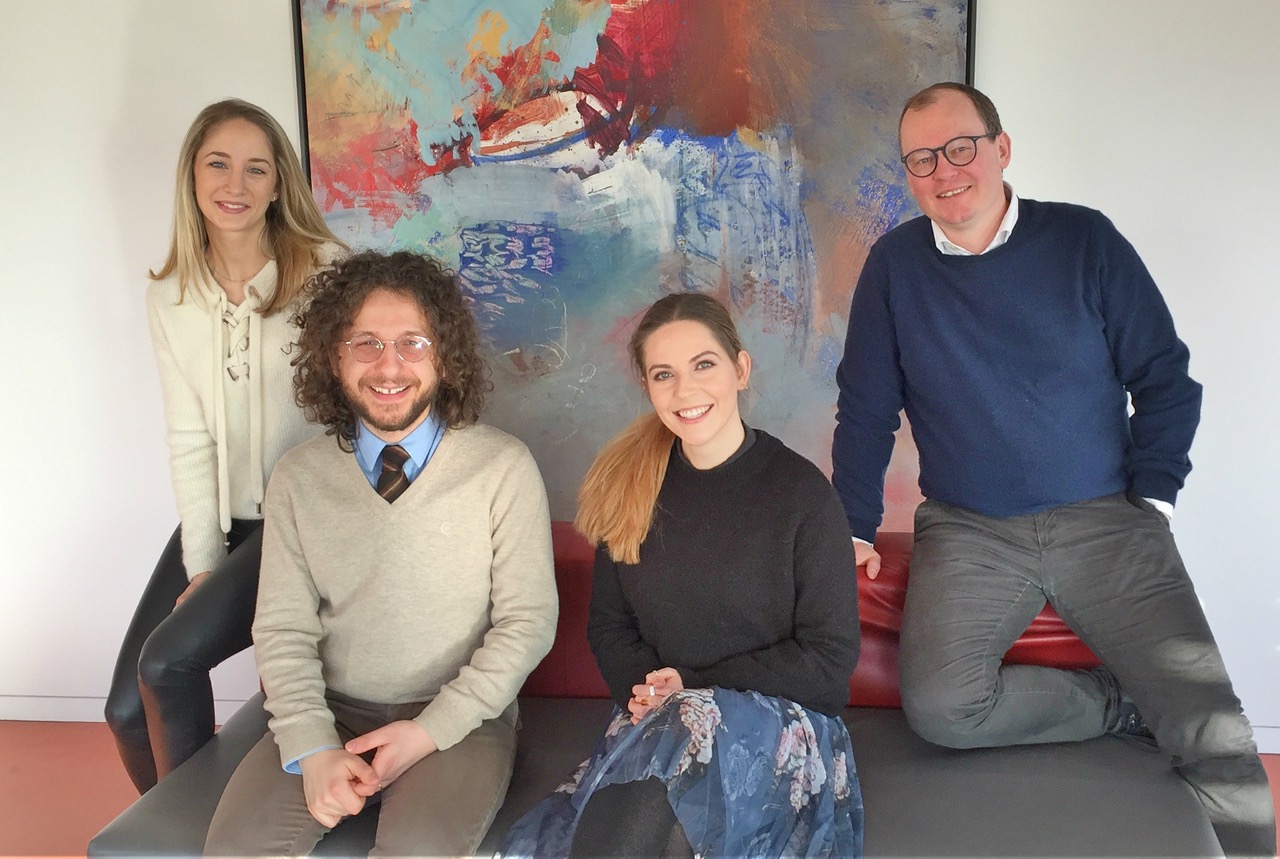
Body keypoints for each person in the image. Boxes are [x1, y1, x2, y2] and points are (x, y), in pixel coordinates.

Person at [832, 81, 1275, 857]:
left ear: (1002, 150)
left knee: (1214, 730)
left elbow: (1166, 379)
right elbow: (865, 408)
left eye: (961, 147)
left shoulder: (1084, 241)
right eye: (921, 159)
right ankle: (1117, 704)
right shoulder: (895, 266)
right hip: (969, 529)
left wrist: (1155, 501)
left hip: (1107, 517)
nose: (945, 170)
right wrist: (852, 525)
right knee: (941, 708)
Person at [201, 249, 558, 856]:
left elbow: (526, 624)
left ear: (444, 356)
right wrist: (312, 748)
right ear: (333, 357)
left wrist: (427, 732)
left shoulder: (503, 468)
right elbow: (282, 628)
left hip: (458, 720)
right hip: (332, 708)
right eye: (364, 342)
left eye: (413, 343)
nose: (389, 366)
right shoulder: (297, 478)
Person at [499, 293, 863, 859]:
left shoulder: (802, 495)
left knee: (671, 792)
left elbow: (829, 661)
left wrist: (692, 685)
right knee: (657, 806)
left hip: (783, 732)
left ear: (740, 369)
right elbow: (610, 628)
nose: (685, 391)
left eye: (704, 365)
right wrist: (648, 694)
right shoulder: (628, 485)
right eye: (664, 374)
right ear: (647, 387)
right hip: (661, 722)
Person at [105, 98, 346, 793]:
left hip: (300, 520)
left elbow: (353, 416)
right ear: (192, 175)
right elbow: (188, 436)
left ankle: (205, 840)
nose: (234, 185)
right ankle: (172, 829)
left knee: (166, 665)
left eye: (255, 169)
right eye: (218, 163)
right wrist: (204, 565)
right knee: (125, 709)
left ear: (278, 185)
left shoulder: (327, 271)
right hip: (222, 521)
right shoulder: (170, 296)